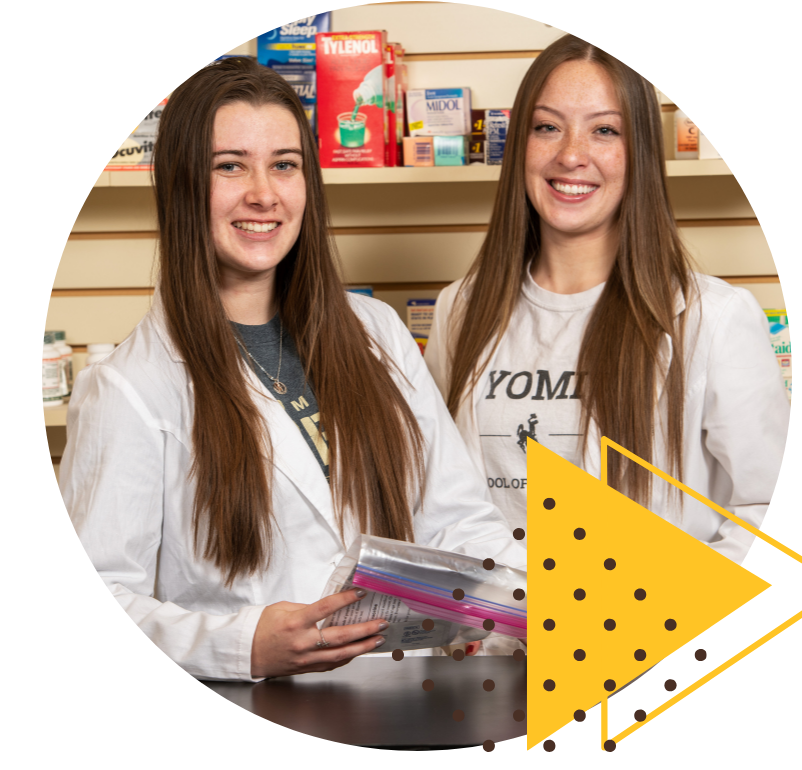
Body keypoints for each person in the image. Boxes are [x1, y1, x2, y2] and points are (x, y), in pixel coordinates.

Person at [60, 58, 523, 682]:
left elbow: (459, 519)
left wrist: (533, 609)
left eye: (284, 164)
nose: (264, 193)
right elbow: (97, 603)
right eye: (230, 165)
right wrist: (242, 643)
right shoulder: (129, 386)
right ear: (180, 185)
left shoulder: (376, 331)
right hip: (254, 711)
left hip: (409, 700)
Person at [425, 34, 790, 571]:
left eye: (604, 130)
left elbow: (771, 508)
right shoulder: (460, 309)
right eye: (547, 127)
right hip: (497, 644)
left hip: (645, 646)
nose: (571, 155)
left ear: (638, 151)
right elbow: (441, 496)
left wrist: (661, 615)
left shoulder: (715, 318)